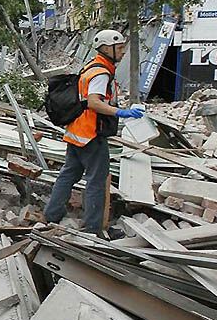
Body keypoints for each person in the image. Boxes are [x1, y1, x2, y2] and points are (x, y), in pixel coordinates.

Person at [44, 29, 144, 237]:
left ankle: (51, 215)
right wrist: (121, 112)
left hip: (77, 131)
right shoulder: (101, 72)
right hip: (91, 135)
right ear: (108, 48)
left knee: (69, 174)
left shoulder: (92, 66)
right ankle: (93, 229)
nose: (123, 51)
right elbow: (94, 102)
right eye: (120, 47)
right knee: (96, 181)